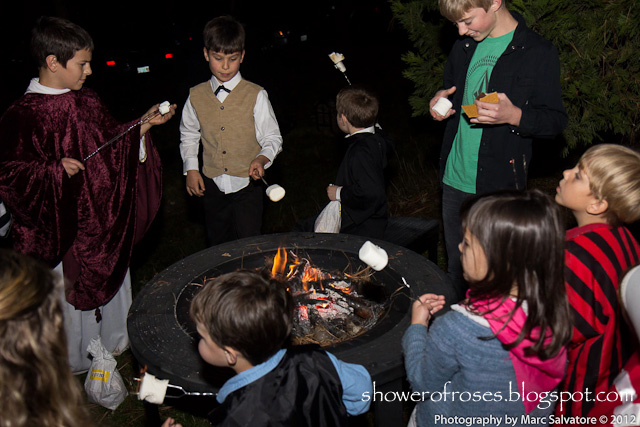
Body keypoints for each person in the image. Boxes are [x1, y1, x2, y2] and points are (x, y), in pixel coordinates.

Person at [0, 16, 176, 374]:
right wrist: (51, 172)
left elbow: (108, 147)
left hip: (99, 224)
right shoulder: (21, 115)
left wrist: (141, 127)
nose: (90, 71)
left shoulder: (88, 101)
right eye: (82, 63)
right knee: (64, 310)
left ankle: (112, 348)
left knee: (109, 302)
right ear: (53, 62)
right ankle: (69, 363)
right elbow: (9, 175)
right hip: (58, 234)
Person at [430, 0, 568, 302]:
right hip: (454, 178)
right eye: (456, 24)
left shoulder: (537, 52)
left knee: (498, 277)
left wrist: (515, 116)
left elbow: (555, 121)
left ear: (494, 3)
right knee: (458, 270)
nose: (461, 31)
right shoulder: (464, 46)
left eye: (467, 21)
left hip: (498, 185)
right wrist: (442, 101)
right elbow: (453, 90)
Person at [403, 190, 572, 426]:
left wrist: (418, 326)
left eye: (467, 243)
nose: (460, 247)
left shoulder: (457, 329)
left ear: (498, 260)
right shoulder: (555, 313)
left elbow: (422, 383)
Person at [190, 270, 373, 426]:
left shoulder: (235, 416)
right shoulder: (316, 360)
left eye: (202, 337)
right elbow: (362, 389)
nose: (198, 341)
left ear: (230, 354)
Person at [179, 15, 283, 246]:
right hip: (212, 185)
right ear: (206, 54)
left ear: (242, 56)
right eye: (218, 58)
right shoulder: (196, 95)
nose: (225, 66)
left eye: (232, 59)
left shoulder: (256, 94)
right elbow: (189, 134)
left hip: (248, 186)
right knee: (219, 246)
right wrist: (191, 169)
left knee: (249, 244)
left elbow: (272, 137)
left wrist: (262, 158)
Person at [554, 143, 640, 419]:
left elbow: (557, 332)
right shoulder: (626, 239)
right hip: (619, 380)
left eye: (578, 175)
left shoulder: (573, 255)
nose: (566, 173)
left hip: (584, 393)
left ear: (598, 204)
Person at [326, 85, 393, 240]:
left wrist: (338, 192)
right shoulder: (378, 139)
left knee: (303, 231)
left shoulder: (360, 151)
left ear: (343, 119)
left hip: (362, 227)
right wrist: (374, 124)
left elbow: (372, 193)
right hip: (373, 221)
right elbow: (387, 139)